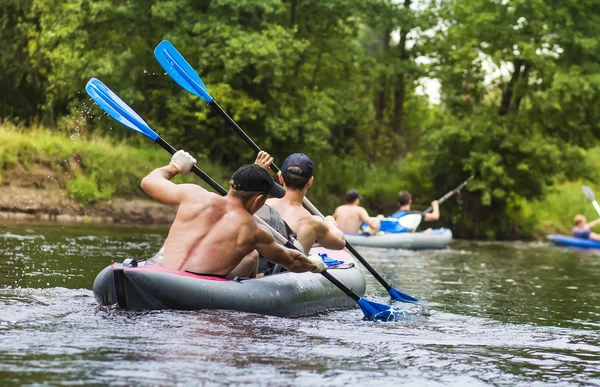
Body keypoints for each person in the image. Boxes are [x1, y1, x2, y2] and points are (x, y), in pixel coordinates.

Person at [140, 149, 326, 279]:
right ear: (259, 200)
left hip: (162, 272)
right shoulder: (254, 231)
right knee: (251, 256)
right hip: (192, 290)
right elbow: (292, 261)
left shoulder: (194, 194)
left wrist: (174, 167)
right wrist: (314, 264)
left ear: (231, 184)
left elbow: (149, 181)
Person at [265, 153, 346, 253]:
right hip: (290, 267)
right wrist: (330, 224)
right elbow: (340, 243)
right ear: (310, 181)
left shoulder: (263, 205)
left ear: (281, 178)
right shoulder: (314, 223)